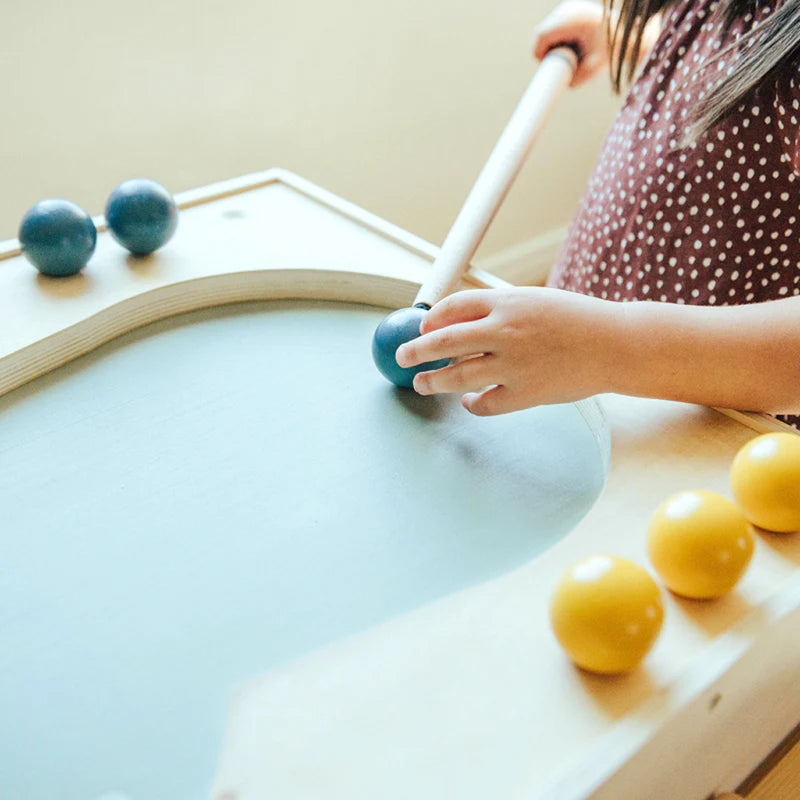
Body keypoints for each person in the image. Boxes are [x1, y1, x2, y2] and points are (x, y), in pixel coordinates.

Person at [395, 0, 800, 428]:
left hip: (707, 417)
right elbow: (744, 58)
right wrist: (650, 37)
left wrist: (611, 345)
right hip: (593, 348)